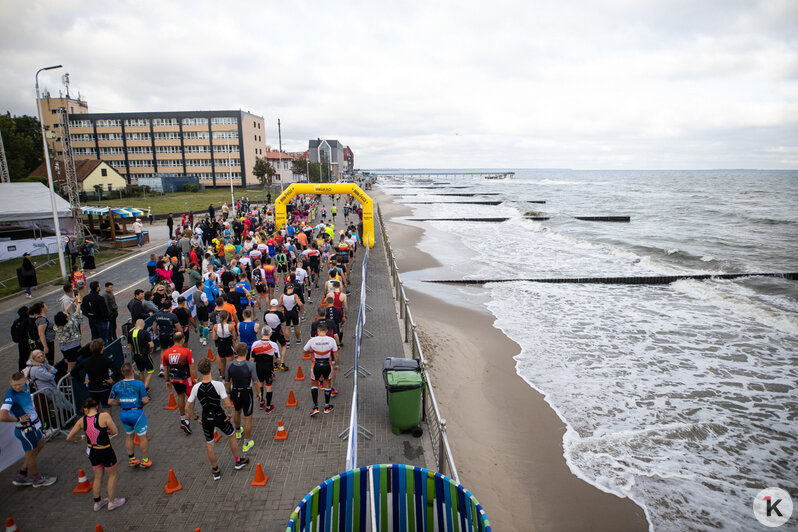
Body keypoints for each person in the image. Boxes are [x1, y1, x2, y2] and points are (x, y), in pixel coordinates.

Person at [186, 358, 249, 480]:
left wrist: (196, 418)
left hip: (205, 418)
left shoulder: (196, 387)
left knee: (210, 444)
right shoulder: (218, 385)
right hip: (219, 416)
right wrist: (229, 415)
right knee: (231, 435)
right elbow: (228, 404)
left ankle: (215, 470)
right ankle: (237, 461)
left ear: (199, 371)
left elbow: (188, 407)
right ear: (210, 368)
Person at [66, 398, 125, 511]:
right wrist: (107, 433)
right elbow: (115, 431)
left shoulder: (81, 420)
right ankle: (112, 502)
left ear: (85, 409)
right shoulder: (104, 416)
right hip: (105, 450)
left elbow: (69, 437)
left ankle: (97, 502)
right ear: (97, 407)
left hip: (92, 451)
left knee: (98, 476)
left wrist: (82, 437)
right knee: (112, 476)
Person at [1, 371, 57, 487]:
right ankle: (37, 479)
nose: (17, 387)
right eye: (14, 385)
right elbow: (2, 416)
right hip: (25, 430)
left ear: (25, 381)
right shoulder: (11, 396)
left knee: (40, 444)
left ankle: (22, 475)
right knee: (31, 454)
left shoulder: (25, 386)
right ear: (10, 383)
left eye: (19, 384)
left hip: (34, 426)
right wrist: (18, 419)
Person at [109, 363, 152, 469]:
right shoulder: (139, 384)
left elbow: (110, 401)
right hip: (137, 413)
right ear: (133, 371)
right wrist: (141, 405)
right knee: (142, 437)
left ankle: (132, 460)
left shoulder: (117, 385)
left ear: (122, 372)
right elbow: (145, 400)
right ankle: (145, 461)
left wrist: (120, 404)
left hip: (124, 414)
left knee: (129, 436)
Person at [225, 343, 259, 452]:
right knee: (248, 418)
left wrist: (229, 392)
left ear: (235, 352)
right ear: (246, 352)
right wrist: (259, 393)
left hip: (235, 392)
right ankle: (246, 443)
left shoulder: (229, 365)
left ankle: (238, 431)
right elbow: (256, 381)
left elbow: (227, 382)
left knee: (237, 412)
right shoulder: (250, 365)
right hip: (246, 393)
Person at [70, 339, 121, 409]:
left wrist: (83, 381)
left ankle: (96, 420)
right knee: (106, 411)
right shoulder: (106, 360)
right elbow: (117, 372)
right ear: (101, 349)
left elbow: (73, 372)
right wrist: (113, 380)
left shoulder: (86, 361)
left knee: (94, 410)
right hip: (104, 388)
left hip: (92, 389)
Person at [162, 332, 196, 434]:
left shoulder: (166, 352)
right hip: (186, 379)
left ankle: (182, 418)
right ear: (182, 340)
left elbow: (165, 368)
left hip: (174, 379)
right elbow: (192, 367)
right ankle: (187, 421)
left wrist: (167, 380)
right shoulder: (186, 351)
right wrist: (196, 379)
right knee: (191, 399)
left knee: (180, 397)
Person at [303, 321, 338, 416]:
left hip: (316, 365)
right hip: (327, 364)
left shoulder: (312, 340)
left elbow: (304, 350)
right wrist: (336, 366)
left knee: (314, 385)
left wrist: (313, 352)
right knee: (327, 384)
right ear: (326, 331)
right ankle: (326, 407)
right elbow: (335, 354)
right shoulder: (331, 340)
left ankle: (315, 407)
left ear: (318, 330)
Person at [250, 326, 280, 412]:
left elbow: (252, 358)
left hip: (258, 367)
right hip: (268, 368)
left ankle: (261, 402)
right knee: (268, 387)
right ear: (270, 334)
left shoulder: (255, 344)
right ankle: (268, 407)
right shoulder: (273, 345)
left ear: (261, 333)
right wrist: (277, 364)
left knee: (260, 385)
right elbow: (278, 358)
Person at [53, 300, 83, 374]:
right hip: (72, 348)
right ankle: (70, 381)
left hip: (64, 347)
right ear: (66, 319)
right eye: (66, 314)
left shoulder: (57, 326)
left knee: (67, 363)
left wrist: (73, 301)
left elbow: (66, 310)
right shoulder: (71, 324)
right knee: (71, 368)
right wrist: (78, 302)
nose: (67, 313)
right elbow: (77, 313)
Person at [128, 319, 155, 390]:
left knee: (141, 372)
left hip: (136, 356)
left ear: (135, 325)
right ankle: (144, 389)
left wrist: (134, 351)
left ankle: (142, 387)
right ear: (143, 325)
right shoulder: (145, 333)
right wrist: (150, 351)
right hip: (145, 355)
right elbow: (151, 345)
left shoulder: (130, 333)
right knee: (151, 371)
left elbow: (129, 346)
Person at [211, 310, 237, 385]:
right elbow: (234, 337)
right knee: (230, 364)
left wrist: (219, 337)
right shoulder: (230, 326)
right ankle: (229, 380)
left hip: (220, 346)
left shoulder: (216, 326)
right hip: (228, 345)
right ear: (227, 317)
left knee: (222, 363)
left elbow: (213, 338)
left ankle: (223, 378)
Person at [11, 306, 32, 372]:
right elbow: (30, 335)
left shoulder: (16, 322)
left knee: (22, 358)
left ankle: (21, 371)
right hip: (28, 342)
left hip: (21, 343)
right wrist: (33, 342)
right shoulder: (29, 321)